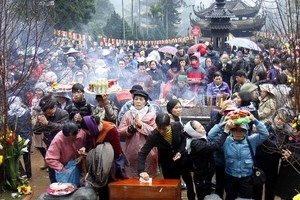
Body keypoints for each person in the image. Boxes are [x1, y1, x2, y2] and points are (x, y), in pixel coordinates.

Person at [222, 111, 268, 200]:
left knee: (246, 198)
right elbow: (211, 136)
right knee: (230, 197)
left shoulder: (251, 140)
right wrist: (223, 124)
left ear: (245, 131)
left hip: (246, 178)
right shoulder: (226, 141)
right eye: (235, 130)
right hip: (231, 177)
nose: (238, 132)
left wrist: (255, 120)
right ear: (231, 131)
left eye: (241, 130)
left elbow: (265, 134)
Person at [80, 115, 123, 200]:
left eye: (87, 131)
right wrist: (85, 147)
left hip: (109, 166)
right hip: (97, 164)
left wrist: (101, 152)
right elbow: (89, 141)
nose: (88, 133)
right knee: (100, 189)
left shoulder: (111, 131)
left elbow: (117, 151)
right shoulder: (92, 130)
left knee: (107, 190)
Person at [184, 120, 229, 200]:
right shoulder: (196, 144)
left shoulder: (200, 136)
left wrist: (222, 122)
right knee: (204, 196)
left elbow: (209, 126)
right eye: (199, 128)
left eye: (201, 125)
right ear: (193, 131)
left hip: (206, 174)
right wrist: (225, 131)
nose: (203, 128)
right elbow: (215, 146)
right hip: (202, 177)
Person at [118, 90, 158, 178]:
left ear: (146, 101)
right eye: (136, 99)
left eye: (141, 99)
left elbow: (155, 132)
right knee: (131, 177)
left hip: (148, 152)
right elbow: (120, 131)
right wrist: (130, 128)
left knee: (148, 177)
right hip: (131, 151)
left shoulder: (152, 115)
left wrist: (141, 125)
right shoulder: (127, 115)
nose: (138, 101)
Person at [138, 113, 186, 182]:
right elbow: (142, 153)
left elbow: (183, 139)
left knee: (187, 179)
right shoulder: (154, 136)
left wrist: (180, 151)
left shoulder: (177, 126)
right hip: (167, 163)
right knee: (170, 183)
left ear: (170, 124)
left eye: (164, 129)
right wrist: (141, 170)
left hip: (182, 158)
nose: (161, 131)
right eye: (159, 128)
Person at [32, 95, 69, 183]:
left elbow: (64, 128)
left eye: (48, 112)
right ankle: (53, 185)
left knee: (63, 167)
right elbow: (36, 132)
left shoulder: (63, 113)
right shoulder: (43, 114)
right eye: (45, 112)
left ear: (54, 107)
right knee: (52, 169)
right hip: (50, 146)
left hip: (62, 146)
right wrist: (39, 123)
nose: (47, 114)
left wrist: (47, 123)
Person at [274, 114, 300, 199]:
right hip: (285, 173)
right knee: (284, 196)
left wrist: (292, 156)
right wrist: (283, 152)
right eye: (294, 128)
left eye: (297, 128)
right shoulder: (289, 137)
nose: (294, 130)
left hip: (296, 175)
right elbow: (282, 148)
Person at [7, 96, 32, 179]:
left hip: (15, 138)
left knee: (15, 155)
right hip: (26, 136)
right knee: (26, 156)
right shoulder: (27, 112)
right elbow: (30, 124)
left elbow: (9, 127)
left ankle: (22, 172)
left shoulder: (8, 115)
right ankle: (29, 174)